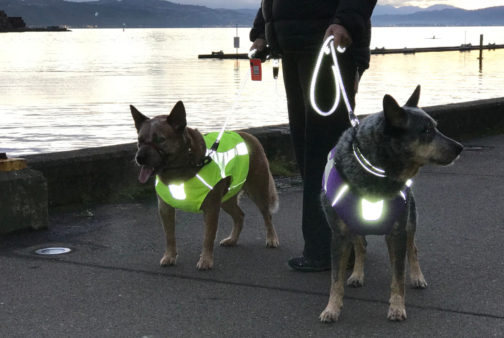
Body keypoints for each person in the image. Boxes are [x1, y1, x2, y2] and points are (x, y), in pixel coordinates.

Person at [249, 0, 377, 272]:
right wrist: (262, 30)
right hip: (294, 45)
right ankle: (344, 240)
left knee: (325, 151)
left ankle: (330, 248)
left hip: (327, 43)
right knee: (309, 151)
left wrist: (345, 20)